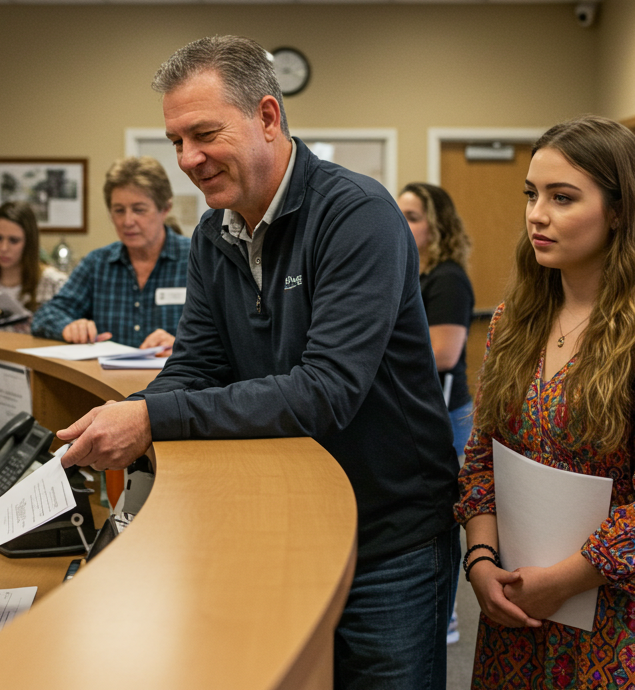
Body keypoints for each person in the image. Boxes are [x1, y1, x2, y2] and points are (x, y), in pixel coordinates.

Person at [54, 35, 461, 689]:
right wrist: (133, 413)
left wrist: (154, 420)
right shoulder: (217, 233)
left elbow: (325, 391)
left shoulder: (357, 216)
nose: (188, 159)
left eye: (204, 134)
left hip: (390, 534)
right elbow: (197, 361)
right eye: (176, 141)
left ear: (268, 117)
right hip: (287, 523)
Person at [456, 115, 635, 689]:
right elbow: (481, 460)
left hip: (614, 617)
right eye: (532, 194)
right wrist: (479, 564)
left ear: (620, 211)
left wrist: (564, 580)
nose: (537, 214)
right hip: (517, 604)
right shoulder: (513, 321)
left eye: (562, 197)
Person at [30, 156, 189, 352]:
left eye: (139, 210)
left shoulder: (196, 259)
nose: (127, 221)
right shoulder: (97, 264)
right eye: (118, 210)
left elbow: (225, 333)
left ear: (165, 209)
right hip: (106, 380)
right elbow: (46, 315)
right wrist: (69, 327)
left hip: (175, 379)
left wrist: (183, 346)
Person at [398, 182, 476, 457]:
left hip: (446, 411)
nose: (401, 223)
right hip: (420, 406)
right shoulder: (414, 274)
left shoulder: (448, 278)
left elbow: (444, 355)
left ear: (437, 226)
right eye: (399, 214)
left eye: (413, 217)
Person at [0, 201, 69, 333]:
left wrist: (37, 328)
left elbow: (67, 334)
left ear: (29, 242)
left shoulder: (55, 284)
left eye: (14, 240)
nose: (3, 248)